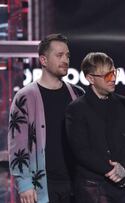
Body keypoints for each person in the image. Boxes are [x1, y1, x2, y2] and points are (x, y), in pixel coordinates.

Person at [8, 33, 84, 203]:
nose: (65, 60)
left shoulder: (78, 94)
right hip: (42, 184)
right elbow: (17, 144)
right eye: (59, 55)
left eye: (67, 55)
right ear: (43, 60)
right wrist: (24, 183)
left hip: (77, 182)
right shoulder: (25, 97)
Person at [65, 52, 125, 203]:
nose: (113, 78)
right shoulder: (77, 109)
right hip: (92, 187)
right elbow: (81, 150)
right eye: (107, 75)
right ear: (90, 78)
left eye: (114, 72)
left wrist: (124, 169)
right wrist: (113, 171)